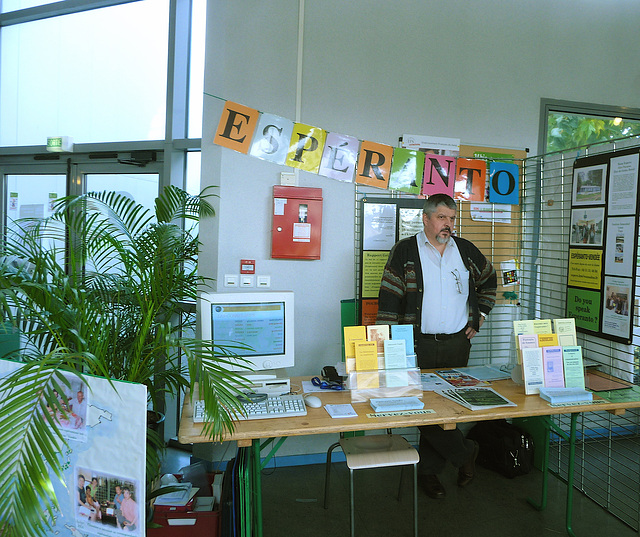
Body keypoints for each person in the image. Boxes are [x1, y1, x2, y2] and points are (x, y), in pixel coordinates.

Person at [377, 193, 497, 499]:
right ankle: (465, 453)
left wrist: (479, 316)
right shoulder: (405, 250)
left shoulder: (465, 250)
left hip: (458, 342)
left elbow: (489, 279)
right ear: (426, 218)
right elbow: (389, 297)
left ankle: (429, 473)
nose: (449, 224)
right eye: (442, 217)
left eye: (452, 218)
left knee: (450, 406)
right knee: (422, 409)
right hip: (418, 344)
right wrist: (389, 343)